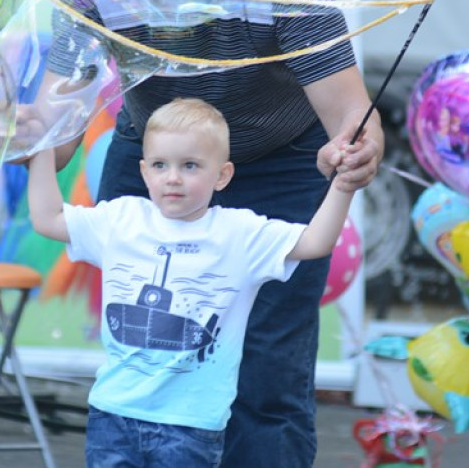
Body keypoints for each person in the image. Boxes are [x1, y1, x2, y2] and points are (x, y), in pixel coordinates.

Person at [37, 0, 384, 467]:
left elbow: (351, 117)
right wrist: (25, 133)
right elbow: (58, 131)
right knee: (156, 367)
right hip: (158, 159)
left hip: (279, 160)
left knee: (267, 375)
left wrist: (356, 152)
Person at [28, 98, 356, 467]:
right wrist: (40, 150)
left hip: (191, 426)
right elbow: (47, 218)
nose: (173, 177)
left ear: (222, 175)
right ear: (144, 171)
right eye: (160, 165)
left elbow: (316, 242)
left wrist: (343, 185)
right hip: (113, 414)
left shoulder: (239, 233)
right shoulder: (120, 220)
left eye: (190, 166)